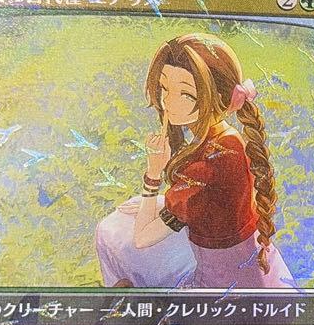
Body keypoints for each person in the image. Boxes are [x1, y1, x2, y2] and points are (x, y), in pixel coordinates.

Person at [96, 33, 294, 290]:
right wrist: (163, 203)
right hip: (258, 272)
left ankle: (122, 302)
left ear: (217, 96)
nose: (168, 101)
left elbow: (143, 238)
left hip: (222, 290)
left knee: (111, 233)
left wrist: (152, 175)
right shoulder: (229, 138)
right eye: (164, 88)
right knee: (127, 219)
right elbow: (215, 203)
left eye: (186, 94)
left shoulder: (208, 163)